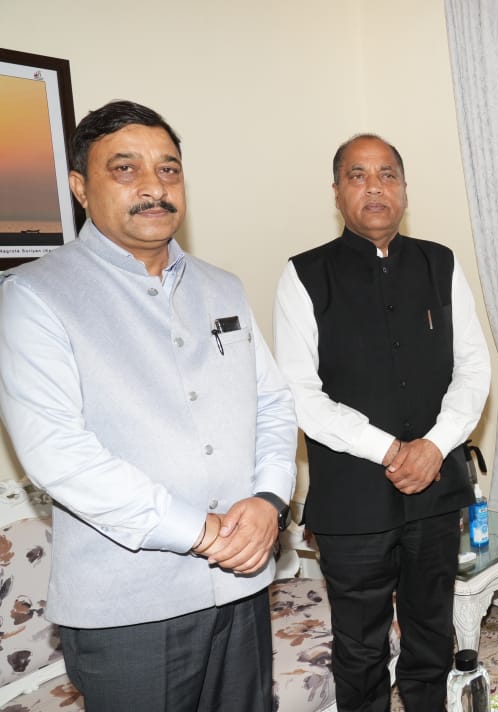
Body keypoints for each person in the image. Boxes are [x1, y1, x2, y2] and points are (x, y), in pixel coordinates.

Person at [0, 100, 298, 711]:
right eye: (126, 169)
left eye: (168, 170)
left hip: (241, 584)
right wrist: (199, 532)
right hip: (130, 607)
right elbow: (58, 454)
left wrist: (269, 499)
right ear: (81, 188)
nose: (153, 188)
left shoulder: (223, 286)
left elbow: (272, 402)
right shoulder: (34, 298)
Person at [272, 133, 490, 712]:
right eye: (359, 175)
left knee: (431, 635)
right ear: (338, 191)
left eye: (388, 174)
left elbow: (474, 368)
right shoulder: (303, 275)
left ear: (405, 189)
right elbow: (301, 395)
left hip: (436, 490)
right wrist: (394, 451)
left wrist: (435, 446)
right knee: (360, 645)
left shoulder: (439, 262)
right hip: (352, 500)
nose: (375, 187)